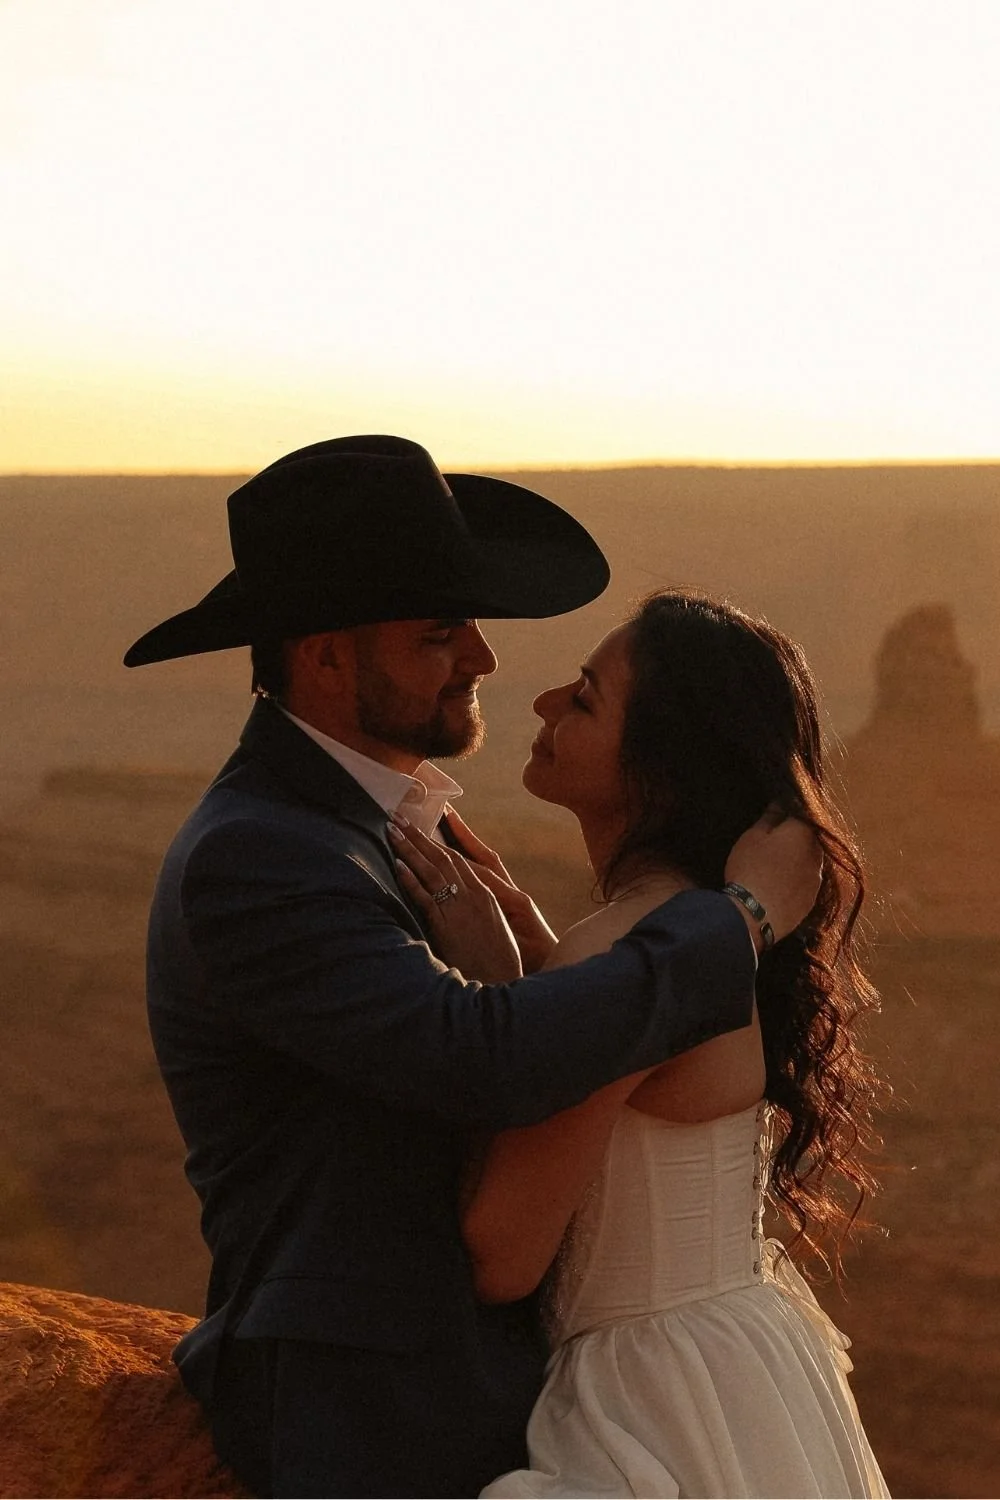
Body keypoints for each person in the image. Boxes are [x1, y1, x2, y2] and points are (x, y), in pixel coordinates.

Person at [123, 436, 820, 1500]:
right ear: (322, 656)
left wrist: (537, 963)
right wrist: (739, 920)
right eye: (441, 632)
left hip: (482, 1376)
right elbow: (474, 1056)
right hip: (366, 1403)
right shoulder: (260, 851)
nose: (486, 660)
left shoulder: (376, 829)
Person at [396, 588, 888, 1499]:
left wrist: (488, 1006)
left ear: (664, 765)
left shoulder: (626, 947)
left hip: (646, 1403)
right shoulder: (685, 936)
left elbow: (502, 1253)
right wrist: (537, 981)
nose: (543, 703)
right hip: (741, 1372)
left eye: (584, 697)